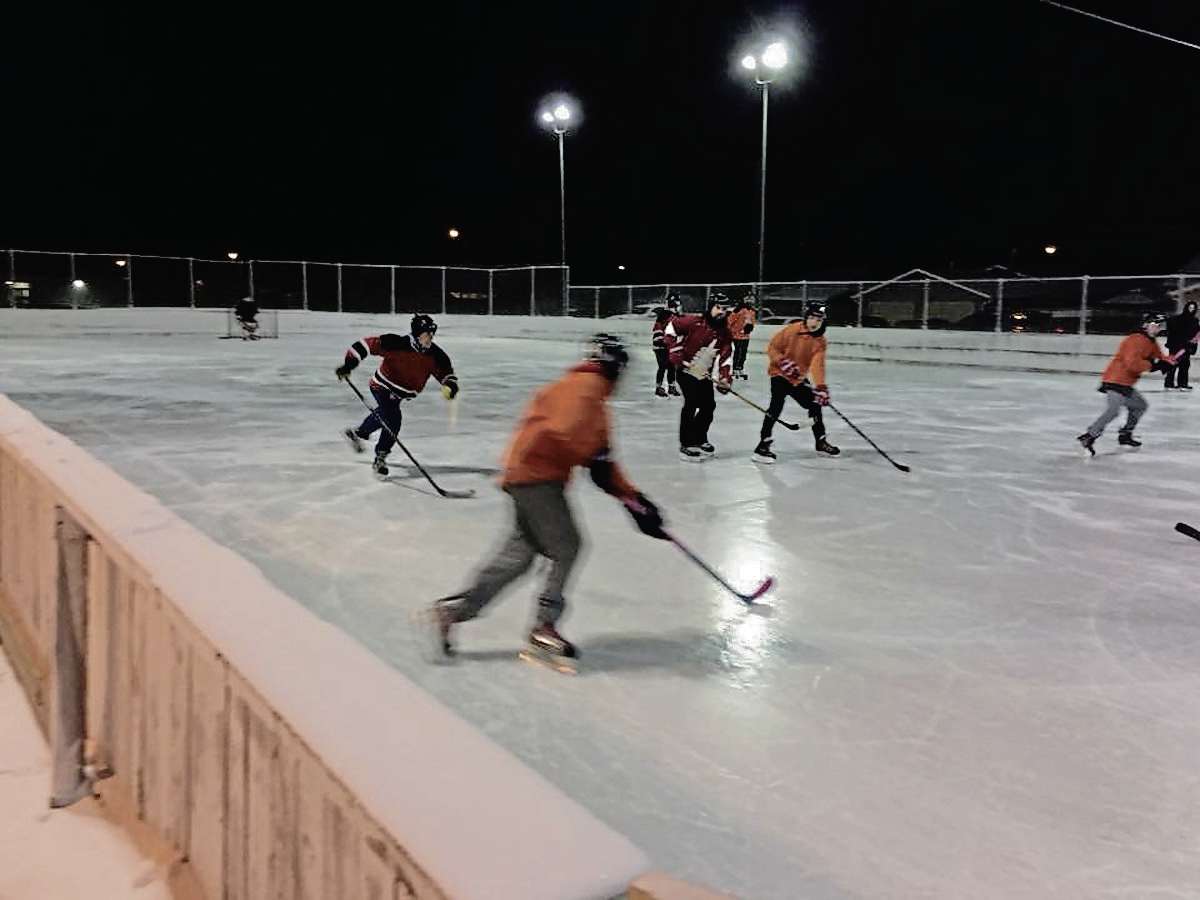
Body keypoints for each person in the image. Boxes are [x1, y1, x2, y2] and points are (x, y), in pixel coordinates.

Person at [427, 334, 667, 669]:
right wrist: (601, 467)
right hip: (537, 479)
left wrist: (636, 501)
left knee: (519, 556)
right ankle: (544, 626)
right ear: (614, 366)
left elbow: (601, 461)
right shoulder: (585, 391)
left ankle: (452, 612)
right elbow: (566, 434)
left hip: (527, 476)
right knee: (567, 545)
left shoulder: (583, 391)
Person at [335, 314, 459, 476]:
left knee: (388, 414)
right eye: (426, 334)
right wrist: (348, 365)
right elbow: (365, 345)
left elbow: (446, 373)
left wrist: (450, 385)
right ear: (417, 334)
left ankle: (359, 433)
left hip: (400, 393)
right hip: (382, 386)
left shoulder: (435, 355)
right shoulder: (396, 343)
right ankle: (381, 456)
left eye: (431, 334)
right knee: (393, 417)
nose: (430, 337)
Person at [1077, 313, 1182, 454]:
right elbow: (1132, 364)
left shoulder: (1151, 341)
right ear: (1145, 325)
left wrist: (1169, 362)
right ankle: (1090, 436)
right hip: (1115, 380)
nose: (1157, 328)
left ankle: (1125, 434)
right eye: (1154, 325)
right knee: (1113, 410)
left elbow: (1159, 358)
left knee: (1140, 406)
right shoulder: (1135, 340)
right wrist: (1154, 365)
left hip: (1126, 383)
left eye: (1159, 326)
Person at [752, 302, 840, 463]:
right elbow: (772, 347)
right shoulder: (792, 330)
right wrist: (782, 361)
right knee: (776, 405)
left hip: (797, 378)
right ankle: (763, 444)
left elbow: (817, 364)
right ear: (806, 317)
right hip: (779, 373)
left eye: (818, 319)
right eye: (812, 317)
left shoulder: (820, 341)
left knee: (815, 404)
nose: (814, 322)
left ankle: (820, 440)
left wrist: (820, 386)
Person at [663, 293, 733, 461]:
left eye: (724, 309)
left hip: (703, 373)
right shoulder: (693, 322)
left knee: (709, 406)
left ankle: (700, 438)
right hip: (686, 370)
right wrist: (675, 350)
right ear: (710, 307)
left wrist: (725, 378)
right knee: (691, 402)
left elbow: (726, 356)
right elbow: (671, 328)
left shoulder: (724, 332)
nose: (721, 312)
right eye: (718, 308)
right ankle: (686, 444)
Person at [1164, 300, 1199, 390]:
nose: (1191, 310)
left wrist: (1192, 345)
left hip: (1186, 346)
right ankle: (1169, 384)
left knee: (1185, 365)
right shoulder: (1178, 319)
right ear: (1186, 308)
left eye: (1193, 308)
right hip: (1176, 346)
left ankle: (1182, 384)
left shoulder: (1195, 321)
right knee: (1173, 364)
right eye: (1190, 307)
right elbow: (1172, 330)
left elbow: (1195, 333)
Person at [726, 295, 758, 380]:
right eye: (748, 300)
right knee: (738, 351)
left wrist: (750, 328)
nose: (750, 302)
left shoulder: (752, 311)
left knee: (743, 353)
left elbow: (753, 322)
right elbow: (730, 321)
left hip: (745, 336)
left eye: (752, 300)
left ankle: (740, 367)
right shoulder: (738, 310)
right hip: (736, 335)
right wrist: (732, 331)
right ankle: (735, 368)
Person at [651, 305, 680, 397]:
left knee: (671, 367)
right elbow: (658, 337)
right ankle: (658, 387)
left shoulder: (670, 323)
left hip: (668, 348)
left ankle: (671, 387)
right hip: (660, 348)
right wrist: (665, 342)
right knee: (662, 366)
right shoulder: (660, 324)